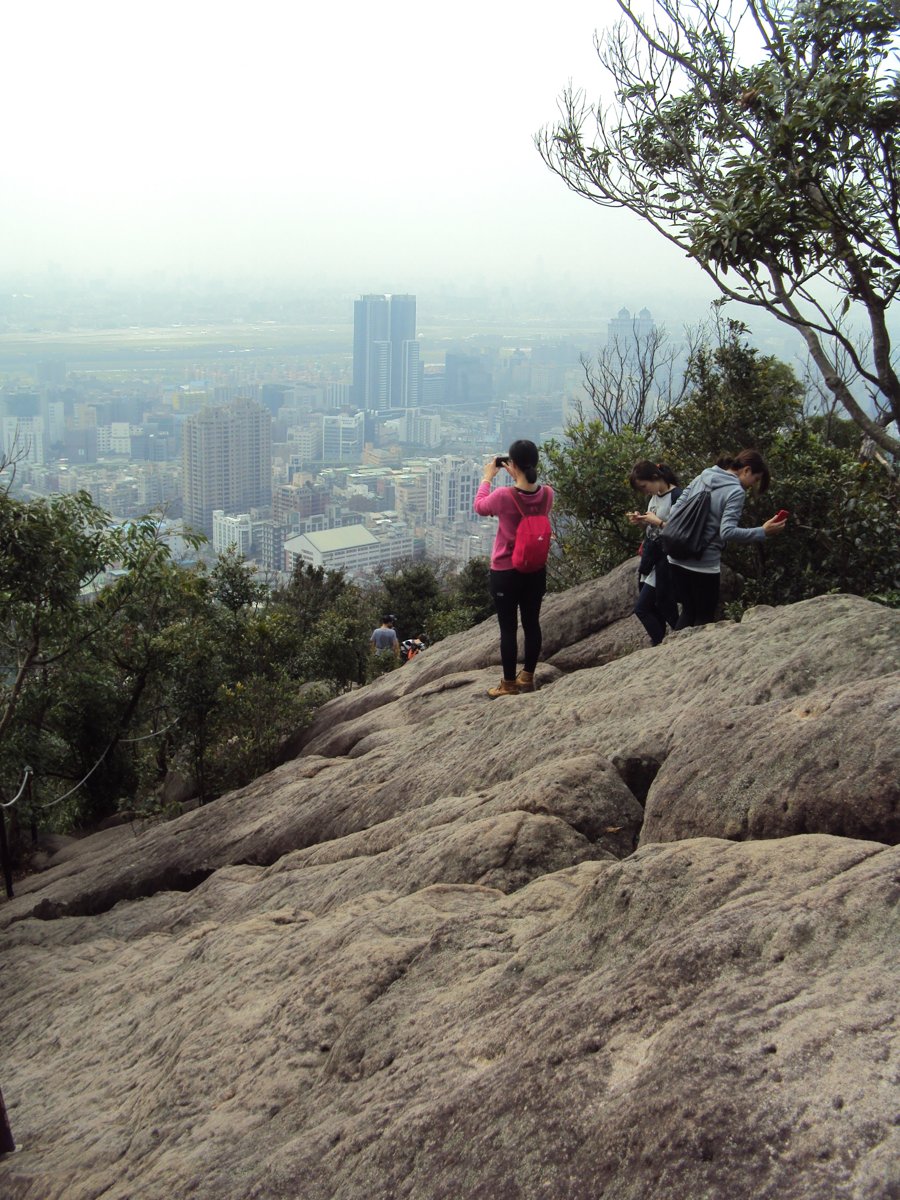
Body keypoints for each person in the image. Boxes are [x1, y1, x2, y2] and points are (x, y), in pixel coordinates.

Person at [667, 450, 787, 628]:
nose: (752, 485)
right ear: (746, 470)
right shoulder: (736, 491)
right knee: (703, 617)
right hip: (703, 563)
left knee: (688, 611)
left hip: (676, 557)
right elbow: (727, 532)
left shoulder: (704, 475)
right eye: (755, 480)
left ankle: (673, 654)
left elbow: (674, 510)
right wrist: (763, 531)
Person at [474, 439, 554, 697]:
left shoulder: (503, 496)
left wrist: (488, 477)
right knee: (532, 624)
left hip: (506, 572)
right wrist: (518, 475)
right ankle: (527, 677)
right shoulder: (548, 494)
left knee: (508, 628)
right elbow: (530, 498)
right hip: (535, 570)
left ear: (513, 464)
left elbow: (480, 507)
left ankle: (508, 684)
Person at [626, 460, 682, 646]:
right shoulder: (655, 497)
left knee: (645, 607)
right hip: (652, 558)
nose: (645, 491)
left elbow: (680, 531)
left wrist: (657, 521)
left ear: (655, 477)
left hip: (666, 559)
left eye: (644, 486)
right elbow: (654, 526)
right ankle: (666, 641)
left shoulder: (677, 496)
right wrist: (642, 521)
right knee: (653, 605)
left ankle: (663, 643)